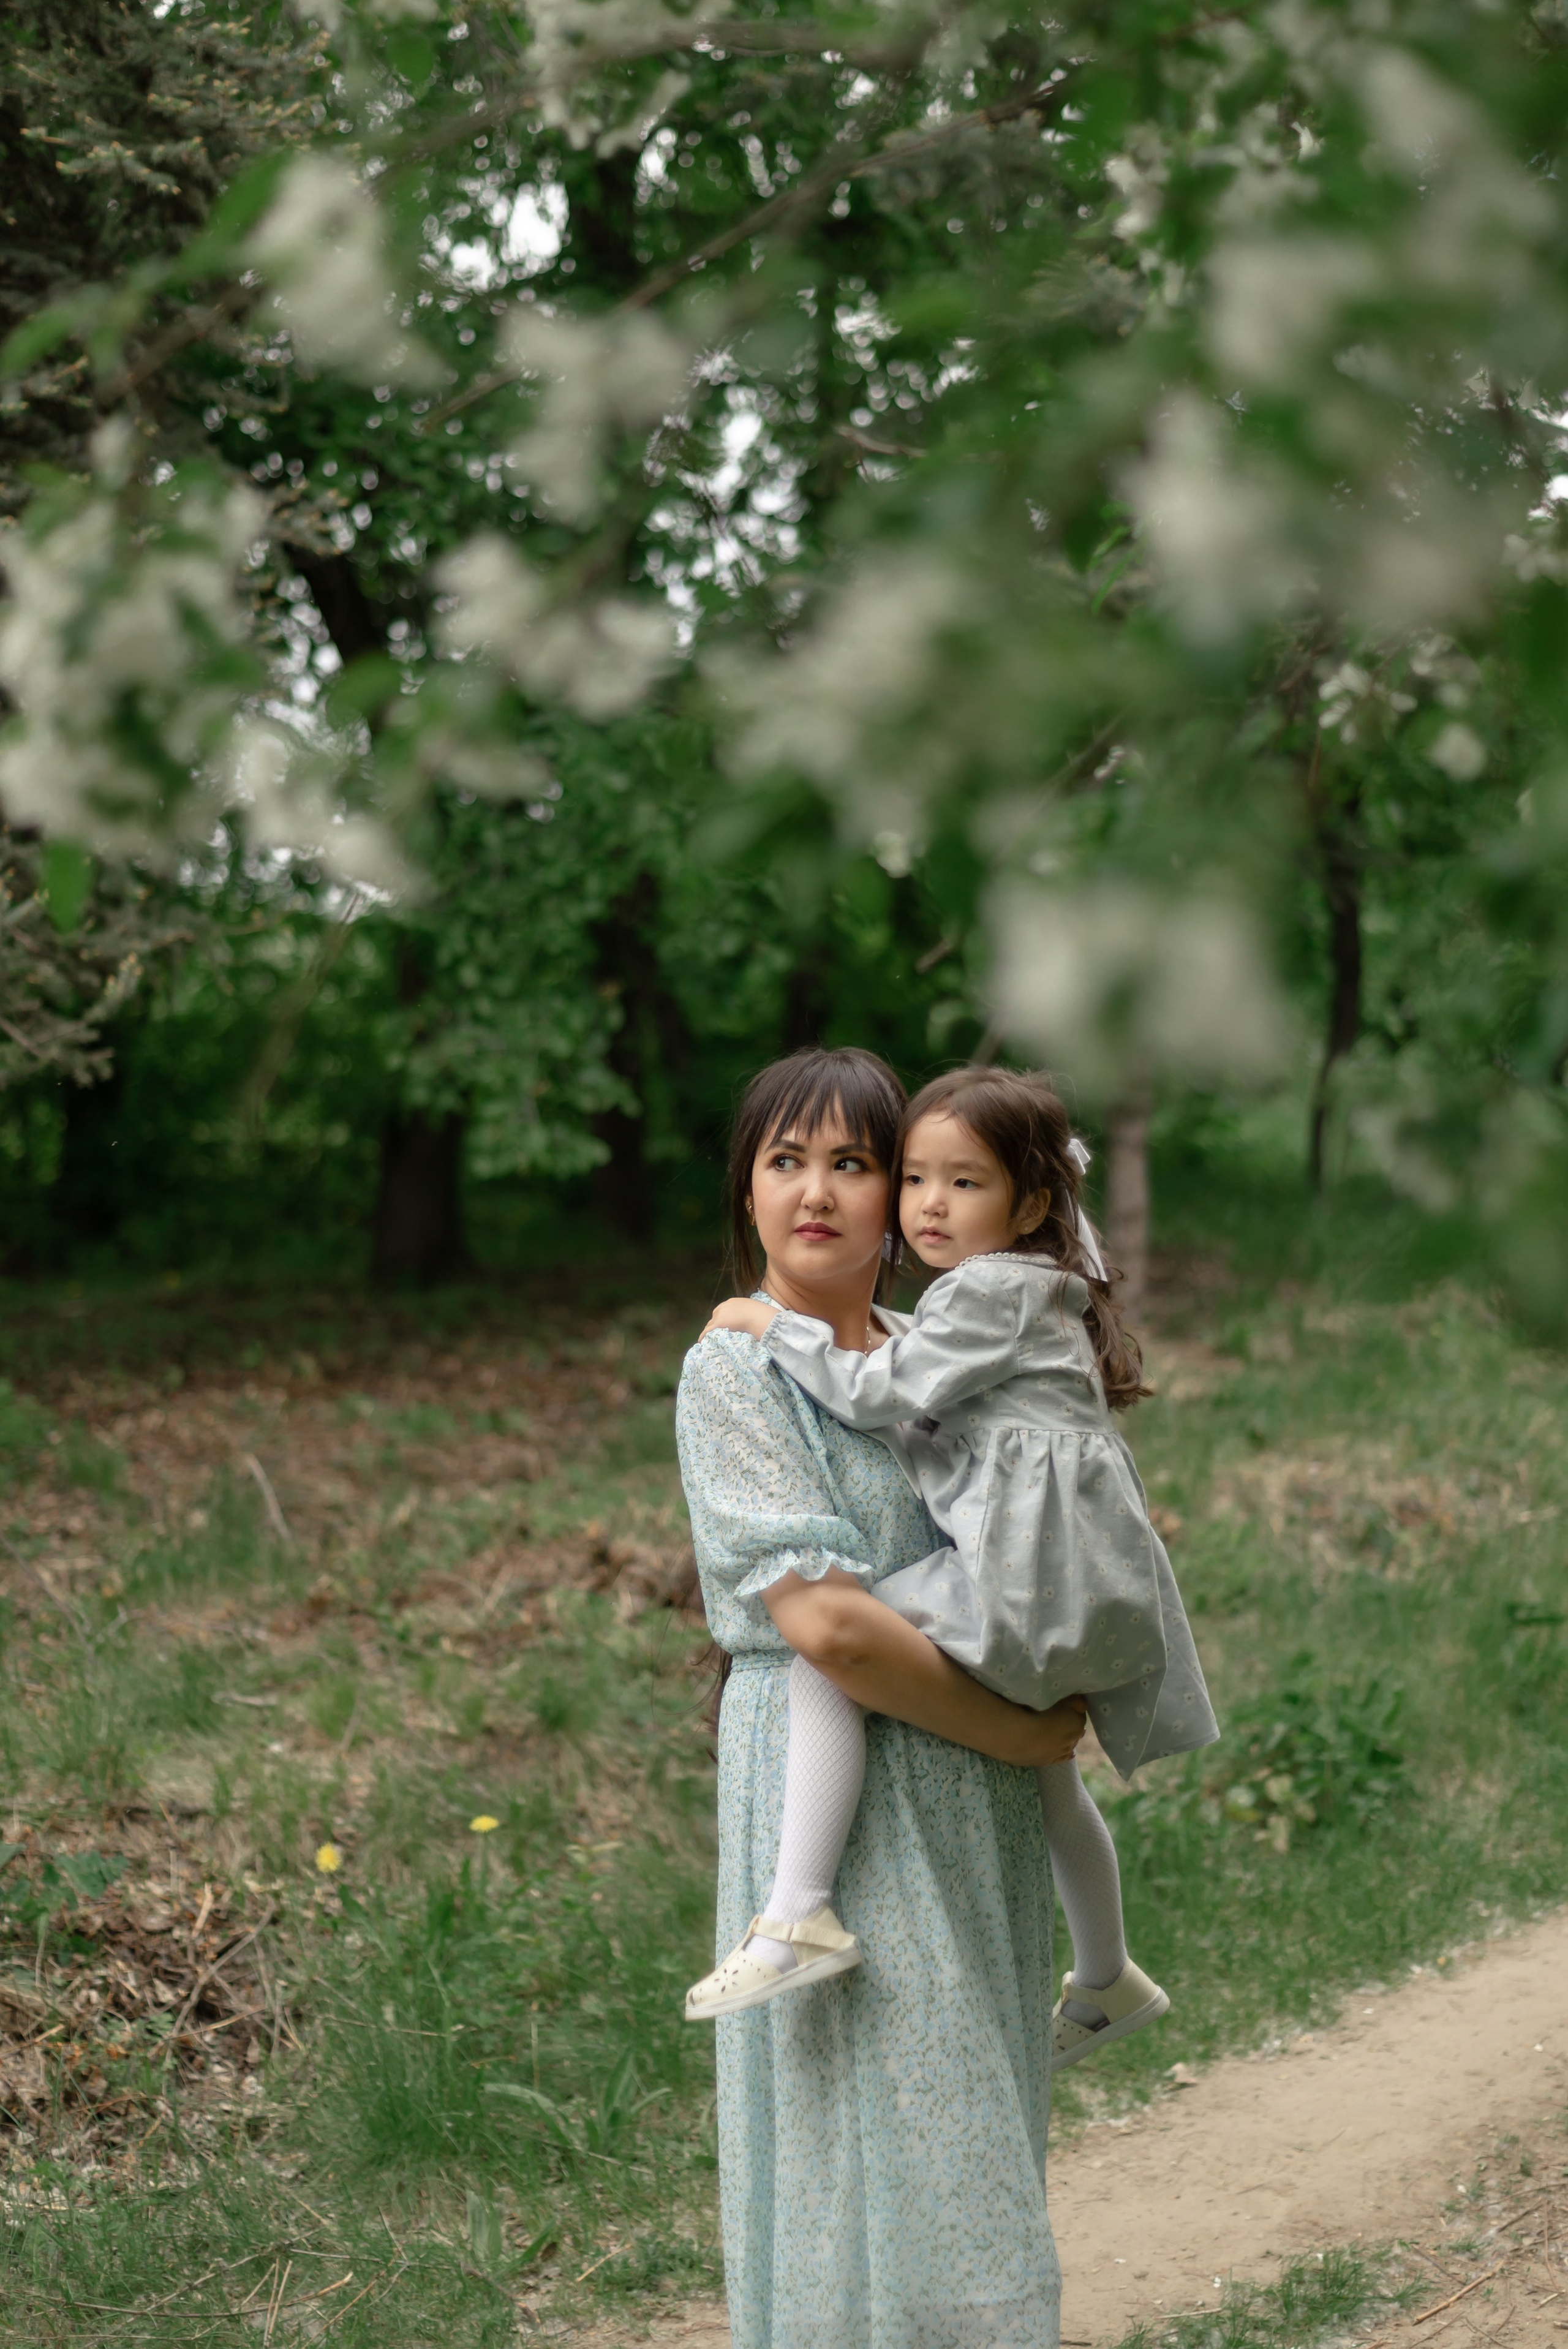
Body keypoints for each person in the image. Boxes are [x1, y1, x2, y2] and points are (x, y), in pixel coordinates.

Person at [688, 1064, 1217, 2070]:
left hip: (1028, 1583)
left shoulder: (976, 1296)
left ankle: (798, 1913)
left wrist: (771, 1325)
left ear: (1030, 1205)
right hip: (1074, 1582)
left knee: (827, 1659)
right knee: (1054, 1778)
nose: (931, 1203)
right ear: (746, 1190)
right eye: (918, 1179)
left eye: (961, 1182)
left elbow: (875, 1398)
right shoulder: (1022, 1294)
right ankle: (1107, 1972)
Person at [677, 1045, 1084, 2349]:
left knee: (973, 2128)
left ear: (904, 1195)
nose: (816, 1191)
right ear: (745, 1190)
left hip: (975, 1808)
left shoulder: (929, 1357)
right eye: (784, 1160)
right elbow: (831, 1630)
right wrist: (1021, 1731)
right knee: (866, 2135)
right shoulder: (734, 1371)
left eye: (852, 1162)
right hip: (836, 1799)